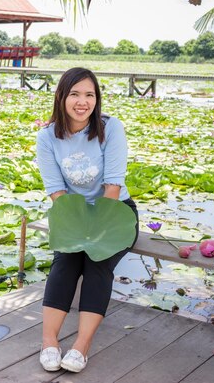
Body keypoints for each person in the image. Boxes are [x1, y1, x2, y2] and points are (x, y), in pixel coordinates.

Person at [35, 67, 138, 373]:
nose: (83, 102)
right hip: (74, 211)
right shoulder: (46, 136)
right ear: (61, 97)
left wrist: (95, 233)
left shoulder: (111, 127)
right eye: (75, 94)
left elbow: (113, 185)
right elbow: (56, 191)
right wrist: (77, 228)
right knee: (65, 260)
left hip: (114, 211)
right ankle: (49, 340)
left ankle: (81, 345)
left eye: (89, 95)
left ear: (97, 99)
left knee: (97, 262)